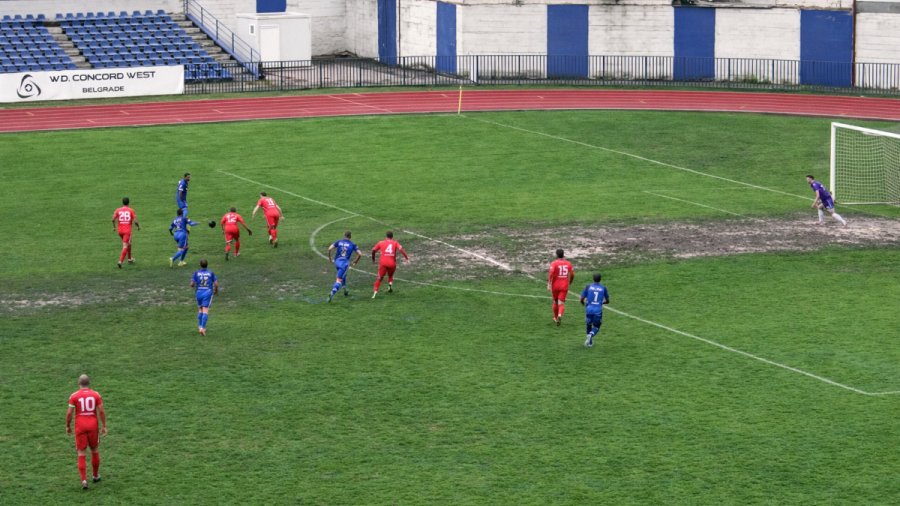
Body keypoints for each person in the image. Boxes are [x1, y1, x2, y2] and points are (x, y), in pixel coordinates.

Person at [66, 374, 107, 490]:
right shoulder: (96, 395)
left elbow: (69, 413)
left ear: (78, 383)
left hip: (80, 427)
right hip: (93, 426)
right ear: (89, 383)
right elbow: (101, 411)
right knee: (94, 450)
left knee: (81, 452)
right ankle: (95, 476)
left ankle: (84, 480)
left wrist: (68, 426)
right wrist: (104, 426)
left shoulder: (74, 396)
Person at [371, 231, 409, 298]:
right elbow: (401, 250)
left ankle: (374, 293)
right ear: (392, 237)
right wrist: (406, 258)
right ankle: (390, 286)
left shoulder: (381, 242)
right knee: (390, 276)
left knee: (379, 278)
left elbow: (373, 250)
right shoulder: (395, 242)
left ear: (386, 236)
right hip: (392, 263)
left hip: (383, 263)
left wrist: (373, 259)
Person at [327, 231, 362, 302]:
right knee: (339, 280)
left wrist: (330, 259)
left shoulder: (339, 242)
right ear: (350, 236)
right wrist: (355, 261)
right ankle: (332, 293)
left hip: (337, 262)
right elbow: (360, 254)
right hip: (344, 264)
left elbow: (329, 248)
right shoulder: (352, 244)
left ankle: (345, 290)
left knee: (343, 275)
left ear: (344, 235)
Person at [580, 273, 610, 348]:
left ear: (593, 279)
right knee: (596, 326)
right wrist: (602, 302)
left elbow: (582, 298)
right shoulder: (603, 288)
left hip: (589, 309)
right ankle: (591, 335)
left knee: (588, 325)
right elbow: (607, 301)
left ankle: (589, 343)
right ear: (600, 279)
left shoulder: (588, 286)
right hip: (597, 310)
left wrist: (582, 302)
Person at [190, 259, 218, 336]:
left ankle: (199, 327)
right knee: (205, 310)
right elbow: (216, 284)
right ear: (207, 265)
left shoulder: (196, 273)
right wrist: (216, 291)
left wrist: (193, 284)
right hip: (207, 293)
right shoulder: (211, 273)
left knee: (200, 309)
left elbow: (192, 284)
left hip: (198, 293)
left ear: (200, 265)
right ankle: (202, 328)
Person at [112, 197, 141, 269]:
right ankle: (120, 262)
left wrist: (114, 227)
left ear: (122, 203)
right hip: (127, 231)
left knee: (129, 242)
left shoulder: (118, 210)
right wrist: (138, 226)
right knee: (125, 245)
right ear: (128, 203)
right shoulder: (131, 210)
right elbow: (135, 221)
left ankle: (129, 258)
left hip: (120, 231)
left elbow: (113, 219)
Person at [547, 248, 574, 326]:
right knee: (561, 303)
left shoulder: (554, 263)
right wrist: (570, 281)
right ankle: (560, 315)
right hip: (564, 285)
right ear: (563, 254)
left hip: (555, 285)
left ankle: (555, 317)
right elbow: (572, 274)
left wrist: (549, 283)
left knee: (555, 301)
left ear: (556, 255)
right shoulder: (568, 263)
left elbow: (551, 273)